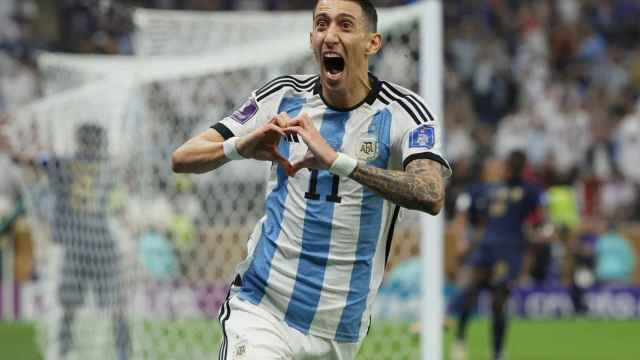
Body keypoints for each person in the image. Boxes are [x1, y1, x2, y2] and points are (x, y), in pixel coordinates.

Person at [171, 1, 451, 358]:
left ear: (373, 43)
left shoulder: (404, 112)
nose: (330, 36)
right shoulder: (283, 96)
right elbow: (182, 158)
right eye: (322, 24)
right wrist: (241, 146)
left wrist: (339, 162)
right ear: (311, 38)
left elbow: (430, 193)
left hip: (339, 330)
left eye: (345, 25)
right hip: (262, 310)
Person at [0, 123, 130, 360]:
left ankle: (63, 351)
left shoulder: (64, 163)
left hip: (75, 245)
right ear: (100, 144)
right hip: (102, 242)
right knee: (116, 304)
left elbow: (30, 160)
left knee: (68, 304)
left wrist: (12, 149)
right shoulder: (107, 166)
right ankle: (123, 353)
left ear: (79, 142)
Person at [448, 151, 548, 360]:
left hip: (510, 252)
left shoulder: (530, 190)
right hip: (486, 249)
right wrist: (463, 240)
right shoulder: (486, 189)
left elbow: (543, 219)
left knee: (498, 301)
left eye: (509, 166)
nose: (505, 169)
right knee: (469, 292)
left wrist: (541, 233)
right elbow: (465, 213)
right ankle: (460, 340)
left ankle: (497, 352)